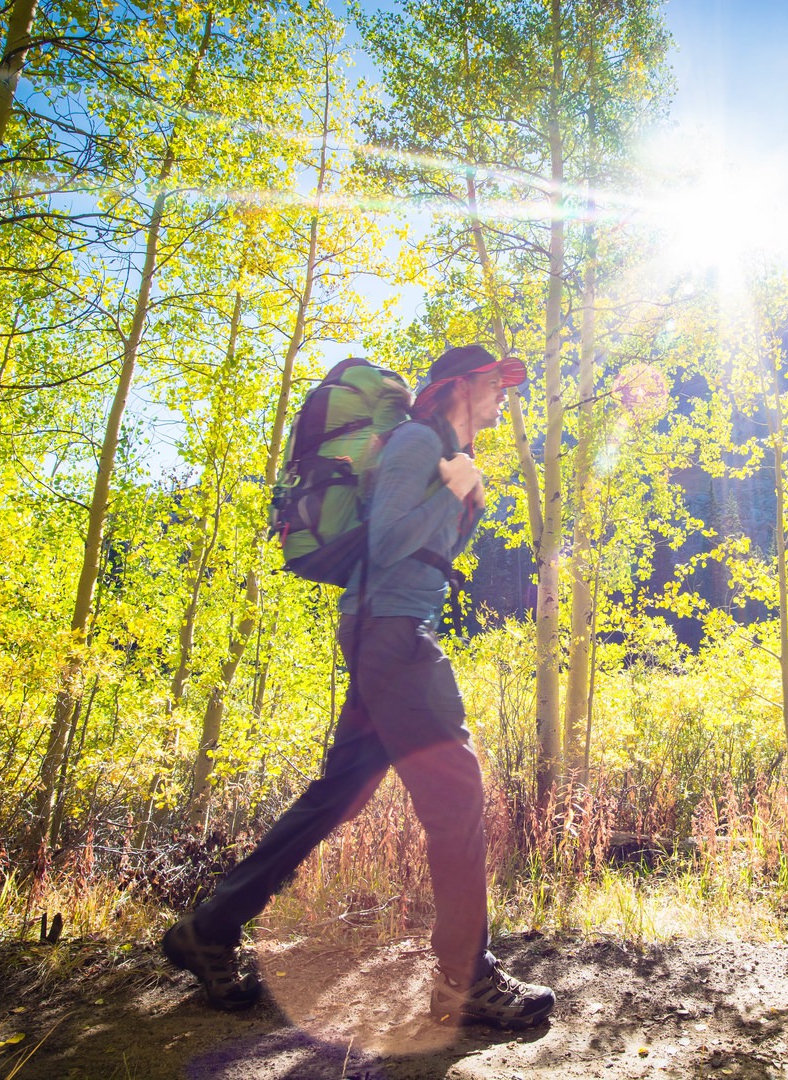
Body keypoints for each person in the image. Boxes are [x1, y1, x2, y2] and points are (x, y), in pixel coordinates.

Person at [163, 344, 556, 1030]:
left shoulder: (443, 454)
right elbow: (390, 537)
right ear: (461, 385)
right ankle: (467, 980)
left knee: (336, 796)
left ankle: (210, 928)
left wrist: (464, 492)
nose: (503, 398)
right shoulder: (413, 442)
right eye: (497, 384)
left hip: (389, 630)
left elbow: (431, 551)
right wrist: (456, 488)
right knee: (458, 792)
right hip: (393, 634)